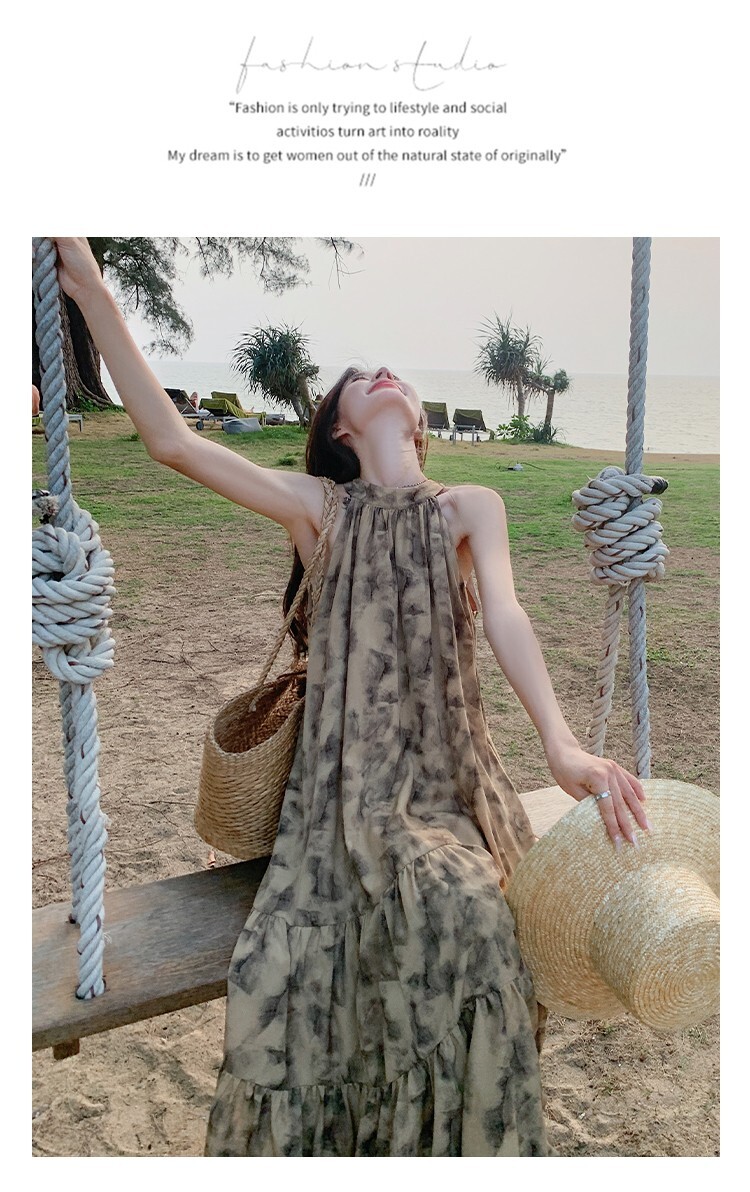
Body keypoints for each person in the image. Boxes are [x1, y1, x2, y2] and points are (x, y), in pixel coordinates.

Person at [52, 238, 649, 1158]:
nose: (385, 374)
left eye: (392, 373)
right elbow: (172, 442)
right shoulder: (318, 509)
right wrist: (93, 291)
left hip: (447, 780)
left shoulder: (469, 506)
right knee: (310, 958)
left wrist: (561, 746)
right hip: (344, 789)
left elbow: (507, 618)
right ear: (339, 426)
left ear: (417, 422)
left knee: (472, 917)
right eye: (363, 376)